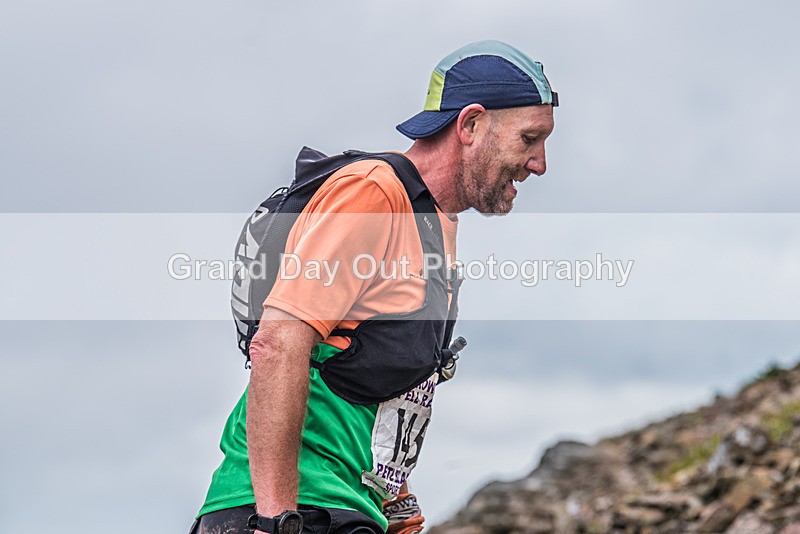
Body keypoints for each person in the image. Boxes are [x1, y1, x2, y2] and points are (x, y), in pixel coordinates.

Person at [191, 40, 557, 534]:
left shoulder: (435, 222)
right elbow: (278, 344)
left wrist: (394, 498)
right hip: (292, 509)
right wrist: (277, 521)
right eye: (529, 139)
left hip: (347, 506)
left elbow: (383, 377)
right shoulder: (373, 192)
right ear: (470, 125)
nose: (539, 163)